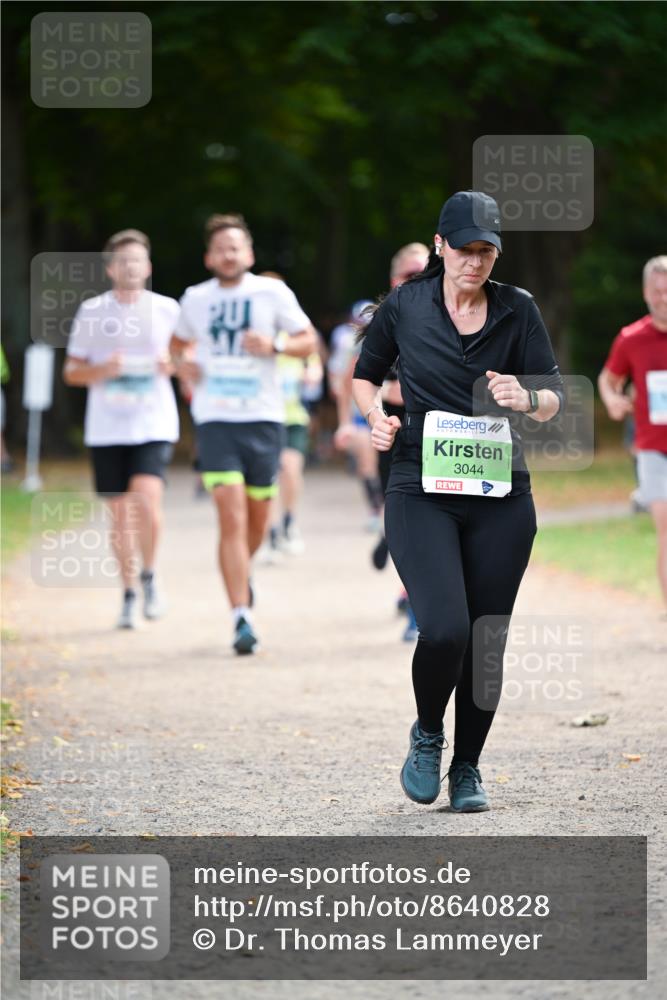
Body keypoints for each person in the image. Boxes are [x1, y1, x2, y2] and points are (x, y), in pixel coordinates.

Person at [353, 190, 564, 811]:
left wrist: (526, 398)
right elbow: (366, 373)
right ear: (440, 245)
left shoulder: (516, 309)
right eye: (465, 249)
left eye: (487, 251)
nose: (475, 263)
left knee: (486, 637)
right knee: (444, 628)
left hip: (500, 491)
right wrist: (375, 416)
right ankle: (427, 734)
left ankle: (467, 768)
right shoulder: (406, 306)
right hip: (420, 483)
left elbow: (553, 394)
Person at [170, 214, 317, 655]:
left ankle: (241, 572)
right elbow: (176, 345)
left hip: (265, 418)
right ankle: (241, 616)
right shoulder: (195, 298)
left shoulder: (271, 292)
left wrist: (274, 346)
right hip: (216, 419)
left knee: (257, 517)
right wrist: (183, 364)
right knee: (230, 516)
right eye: (221, 248)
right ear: (209, 257)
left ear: (249, 254)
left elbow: (307, 340)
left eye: (236, 247)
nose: (229, 254)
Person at [63, 229, 179, 628]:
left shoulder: (167, 310)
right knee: (120, 514)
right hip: (108, 427)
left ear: (147, 267)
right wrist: (101, 369)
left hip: (153, 422)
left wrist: (173, 365)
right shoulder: (92, 312)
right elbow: (72, 372)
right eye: (124, 260)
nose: (131, 266)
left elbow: (191, 357)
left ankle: (150, 575)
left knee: (147, 501)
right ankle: (129, 592)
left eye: (138, 259)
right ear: (111, 268)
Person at [598, 255, 667, 610]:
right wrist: (612, 400)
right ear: (645, 293)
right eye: (658, 292)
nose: (665, 298)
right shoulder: (631, 338)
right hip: (654, 448)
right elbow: (608, 380)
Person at [330, 302, 384, 532]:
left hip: (391, 413)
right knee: (367, 464)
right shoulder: (357, 349)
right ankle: (375, 511)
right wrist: (345, 424)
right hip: (363, 414)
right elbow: (344, 387)